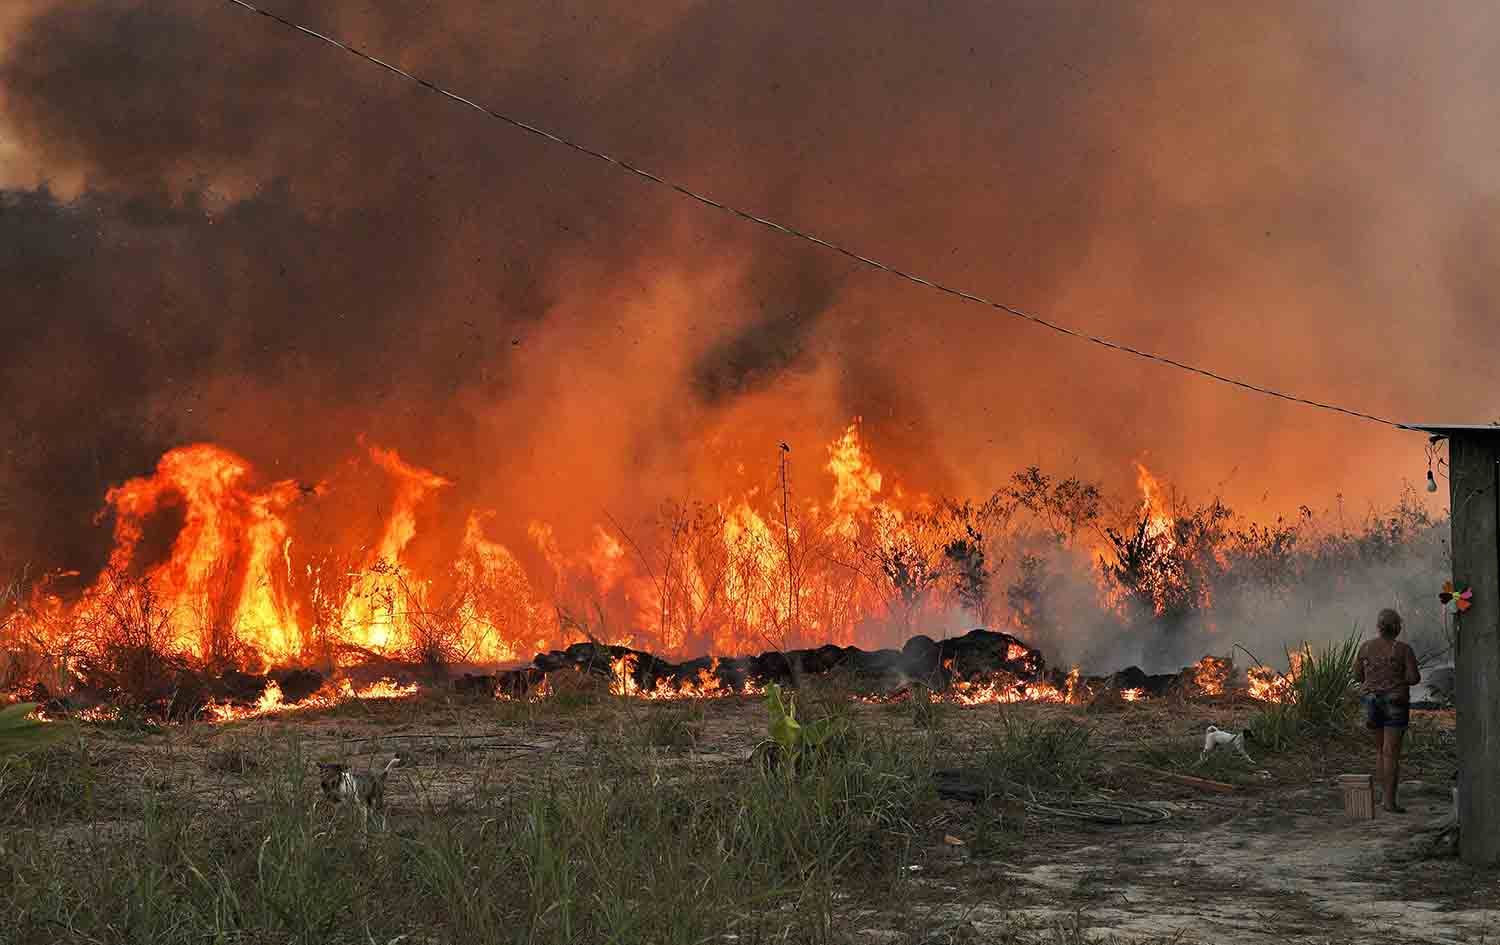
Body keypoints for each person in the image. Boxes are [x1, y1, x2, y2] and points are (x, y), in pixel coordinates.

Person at [1354, 608, 1421, 813]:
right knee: (1390, 753)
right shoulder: (1403, 649)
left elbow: (1357, 676)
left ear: (1379, 627)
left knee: (1380, 751)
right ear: (1398, 628)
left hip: (1371, 701)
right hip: (1395, 702)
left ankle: (1383, 797)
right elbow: (1413, 678)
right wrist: (1398, 676)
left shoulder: (1365, 647)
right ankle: (1389, 802)